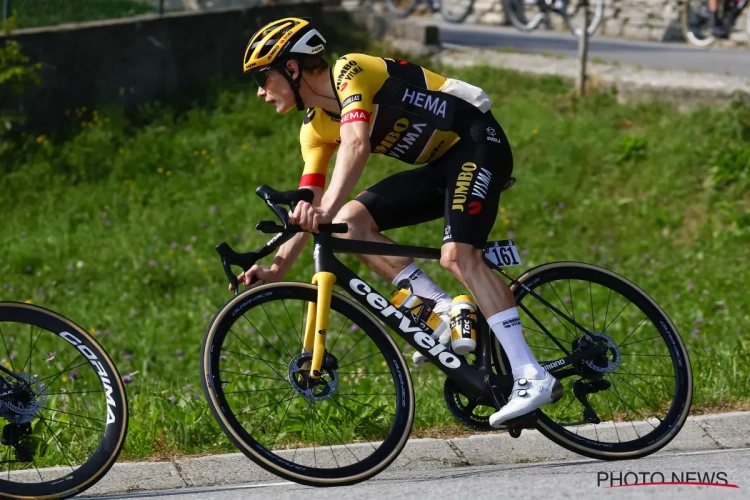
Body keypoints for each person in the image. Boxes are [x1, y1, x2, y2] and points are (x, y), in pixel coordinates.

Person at [236, 17, 563, 426]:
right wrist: (276, 268)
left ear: (292, 68)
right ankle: (444, 311)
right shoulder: (315, 129)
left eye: (263, 79)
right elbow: (312, 200)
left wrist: (324, 209)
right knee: (351, 223)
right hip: (439, 165)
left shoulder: (348, 70)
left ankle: (531, 375)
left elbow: (356, 144)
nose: (261, 93)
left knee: (459, 256)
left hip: (477, 142)